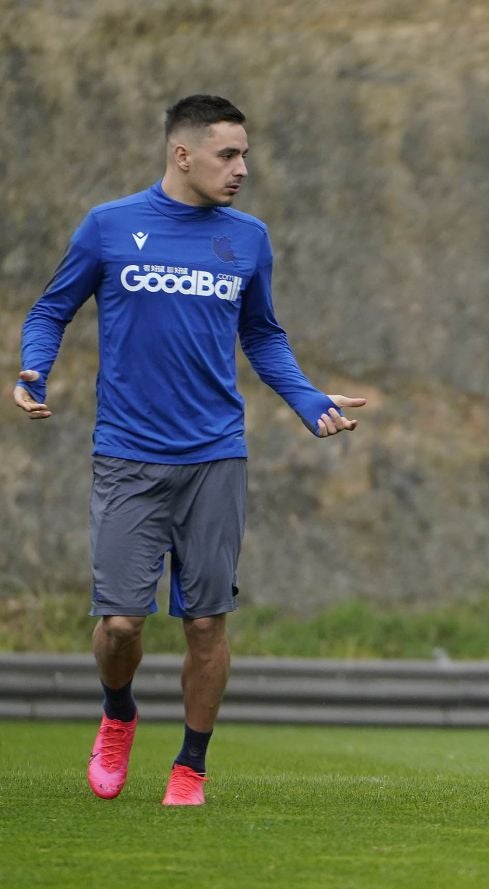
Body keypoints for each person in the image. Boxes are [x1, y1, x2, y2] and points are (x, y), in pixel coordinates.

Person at [13, 94, 367, 807]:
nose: (243, 168)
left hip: (215, 456)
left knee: (206, 622)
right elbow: (52, 308)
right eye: (227, 154)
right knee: (119, 625)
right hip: (127, 454)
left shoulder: (247, 238)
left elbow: (263, 334)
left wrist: (306, 400)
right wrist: (32, 369)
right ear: (183, 154)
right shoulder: (110, 227)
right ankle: (118, 715)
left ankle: (191, 766)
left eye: (245, 154)